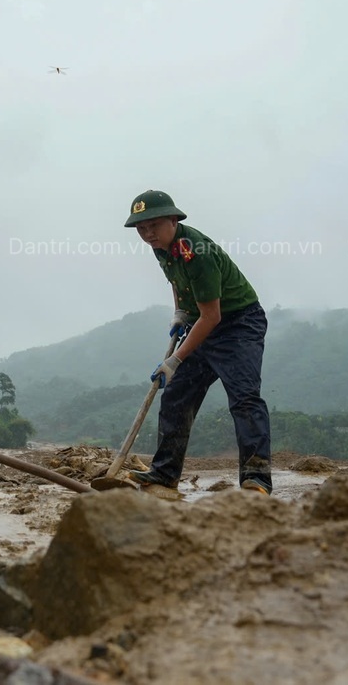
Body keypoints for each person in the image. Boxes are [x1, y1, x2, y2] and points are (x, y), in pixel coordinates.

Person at [123, 190, 272, 495]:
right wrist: (180, 311)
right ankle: (164, 474)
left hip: (237, 324)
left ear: (173, 219)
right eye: (142, 228)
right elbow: (177, 281)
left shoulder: (197, 252)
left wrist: (175, 360)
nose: (148, 233)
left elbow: (212, 316)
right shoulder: (161, 247)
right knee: (176, 396)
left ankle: (256, 480)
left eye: (154, 225)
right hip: (201, 322)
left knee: (244, 398)